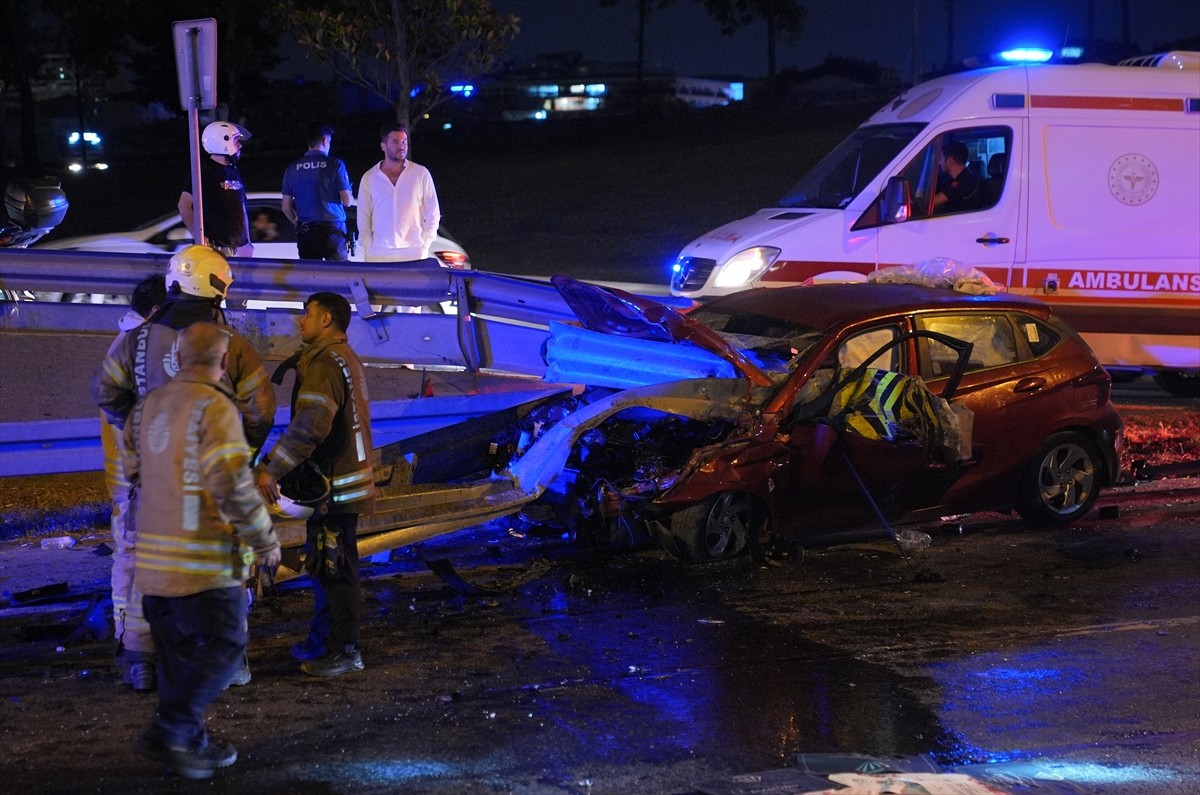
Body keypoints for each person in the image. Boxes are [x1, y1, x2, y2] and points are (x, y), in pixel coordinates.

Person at [93, 245, 276, 687]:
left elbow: (106, 394)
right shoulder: (231, 345)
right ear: (216, 286)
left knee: (143, 565)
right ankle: (228, 663)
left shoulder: (136, 340)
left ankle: (142, 664)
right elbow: (261, 407)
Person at [125, 322, 281, 780]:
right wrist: (264, 540)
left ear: (177, 356)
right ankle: (172, 728)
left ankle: (188, 744)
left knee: (175, 659)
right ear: (222, 360)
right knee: (225, 646)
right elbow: (230, 483)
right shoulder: (214, 407)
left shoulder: (148, 405)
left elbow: (135, 470)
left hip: (152, 565)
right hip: (203, 564)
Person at [254, 291, 376, 677]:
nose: (299, 321)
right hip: (338, 486)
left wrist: (272, 469)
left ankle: (344, 652)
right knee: (327, 567)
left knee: (336, 570)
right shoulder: (341, 358)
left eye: (307, 314)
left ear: (326, 320)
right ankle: (323, 642)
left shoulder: (325, 363)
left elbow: (309, 426)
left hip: (336, 490)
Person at [102, 274, 168, 692]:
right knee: (133, 552)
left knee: (131, 551)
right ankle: (131, 640)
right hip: (136, 470)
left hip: (129, 466)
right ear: (158, 311)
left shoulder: (128, 343)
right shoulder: (141, 347)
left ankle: (130, 638)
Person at [357, 123, 441, 262]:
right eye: (396, 142)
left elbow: (433, 211)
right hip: (379, 252)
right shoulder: (370, 177)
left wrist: (426, 241)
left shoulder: (420, 173)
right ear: (383, 146)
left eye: (404, 141)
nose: (401, 146)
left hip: (413, 251)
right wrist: (367, 244)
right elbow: (363, 214)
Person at [178, 121, 254, 257]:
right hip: (215, 248)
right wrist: (200, 237)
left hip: (237, 247)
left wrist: (246, 242)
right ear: (223, 141)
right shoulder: (203, 171)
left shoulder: (233, 171)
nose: (240, 145)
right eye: (236, 140)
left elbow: (241, 208)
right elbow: (184, 205)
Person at [282, 123, 354, 261]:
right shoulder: (335, 165)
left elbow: (286, 207)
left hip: (306, 232)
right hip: (333, 231)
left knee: (311, 278)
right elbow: (348, 201)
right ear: (325, 140)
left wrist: (297, 222)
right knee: (339, 277)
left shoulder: (292, 168)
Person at [933, 140, 985, 215]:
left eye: (940, 159)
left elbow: (934, 202)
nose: (938, 162)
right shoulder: (954, 179)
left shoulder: (965, 180)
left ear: (950, 161)